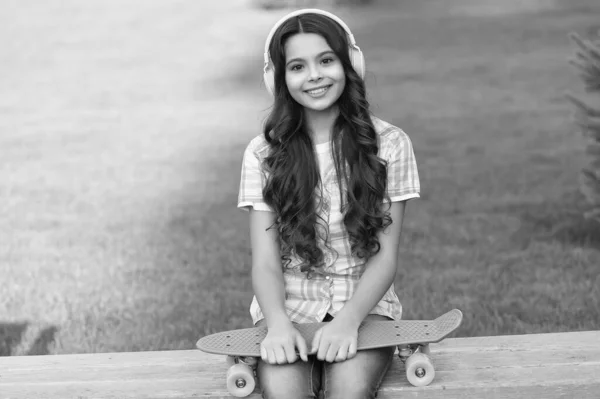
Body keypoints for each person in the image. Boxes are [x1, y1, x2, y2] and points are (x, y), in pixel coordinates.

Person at [237, 8, 420, 399]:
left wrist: (348, 321)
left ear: (349, 64)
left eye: (326, 60)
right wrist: (277, 324)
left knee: (349, 392)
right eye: (298, 67)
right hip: (287, 309)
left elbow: (384, 258)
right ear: (280, 79)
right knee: (283, 393)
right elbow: (265, 262)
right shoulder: (262, 154)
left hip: (366, 310)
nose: (315, 75)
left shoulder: (389, 145)